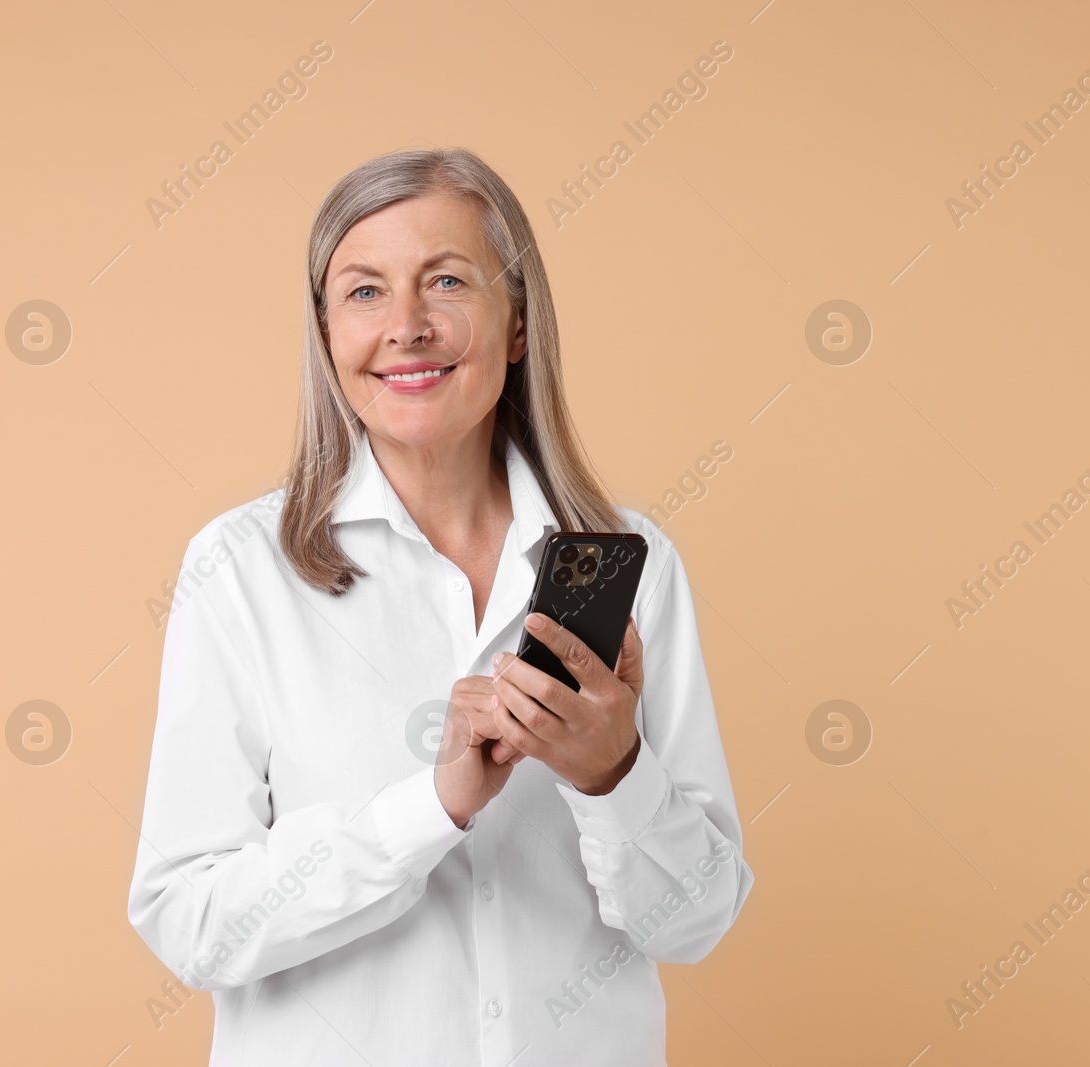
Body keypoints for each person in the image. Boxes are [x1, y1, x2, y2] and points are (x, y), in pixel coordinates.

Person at [126, 147, 753, 1066]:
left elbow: (694, 922)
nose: (407, 326)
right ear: (326, 331)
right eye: (365, 292)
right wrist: (435, 804)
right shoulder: (239, 570)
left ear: (518, 325)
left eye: (448, 280)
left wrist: (614, 775)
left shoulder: (635, 565)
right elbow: (192, 924)